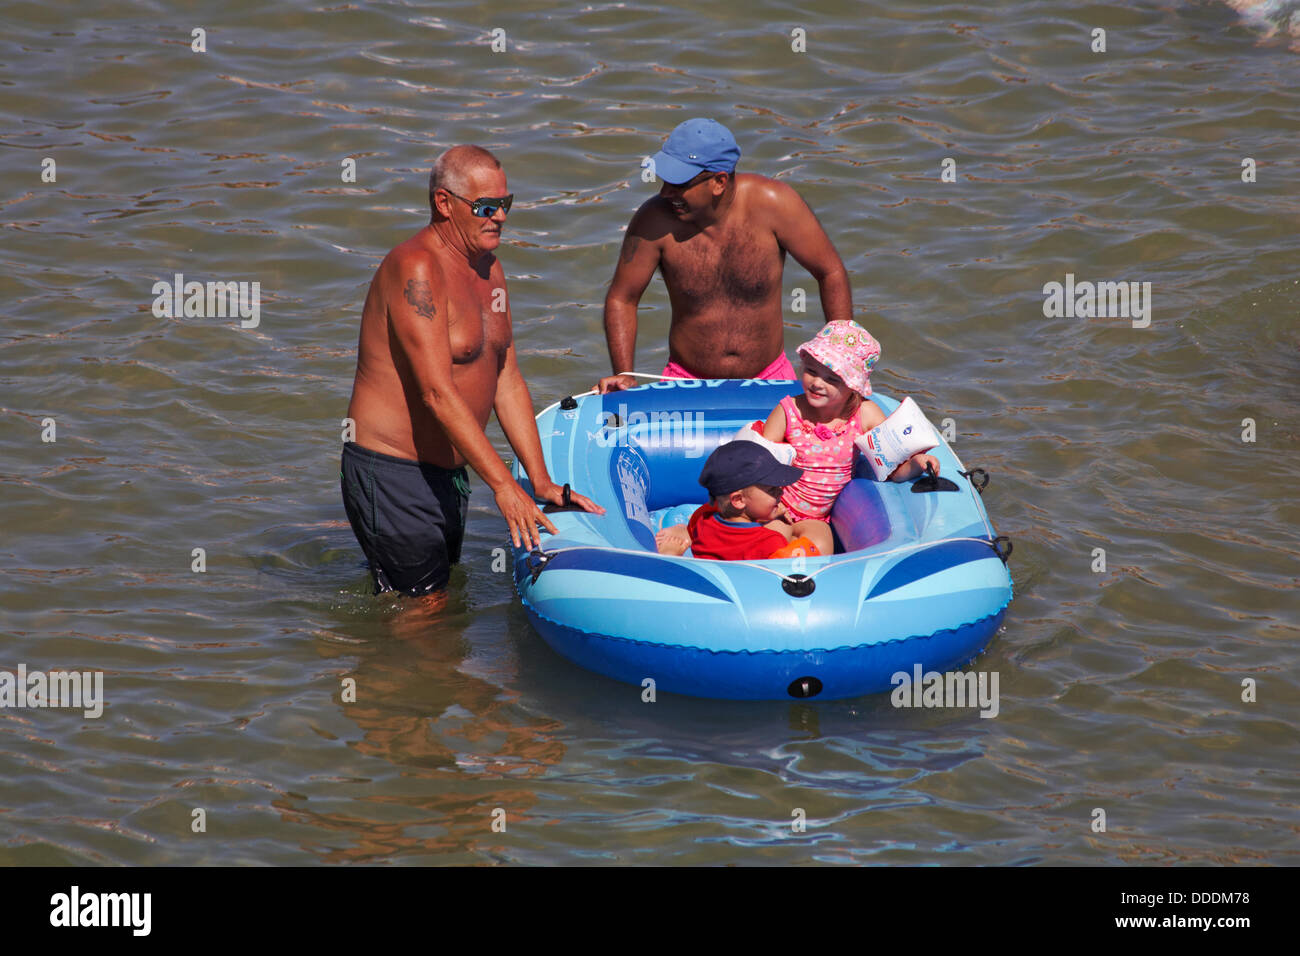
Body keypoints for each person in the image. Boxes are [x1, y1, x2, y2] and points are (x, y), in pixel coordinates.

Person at [341, 145, 603, 599]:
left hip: (450, 473)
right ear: (444, 203)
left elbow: (506, 376)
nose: (499, 217)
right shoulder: (416, 269)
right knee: (425, 614)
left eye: (506, 205)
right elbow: (436, 394)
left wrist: (537, 481)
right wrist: (503, 487)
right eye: (485, 207)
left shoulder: (489, 268)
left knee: (429, 602)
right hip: (394, 471)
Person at [597, 118, 853, 393]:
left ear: (719, 181)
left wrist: (842, 365)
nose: (665, 192)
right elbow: (623, 298)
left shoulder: (775, 204)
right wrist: (623, 374)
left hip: (771, 377)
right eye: (664, 180)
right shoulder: (653, 222)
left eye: (678, 183)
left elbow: (830, 272)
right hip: (685, 381)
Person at [760, 320, 939, 556]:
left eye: (832, 379)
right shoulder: (788, 411)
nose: (816, 383)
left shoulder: (864, 415)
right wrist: (769, 504)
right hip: (777, 504)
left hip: (817, 518)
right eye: (811, 371)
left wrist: (916, 465)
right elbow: (759, 465)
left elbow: (890, 467)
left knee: (821, 545)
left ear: (853, 386)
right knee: (771, 538)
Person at [654, 441, 804, 560]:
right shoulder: (770, 542)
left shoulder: (702, 520)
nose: (781, 492)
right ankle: (670, 556)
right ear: (738, 500)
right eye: (772, 490)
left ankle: (675, 548)